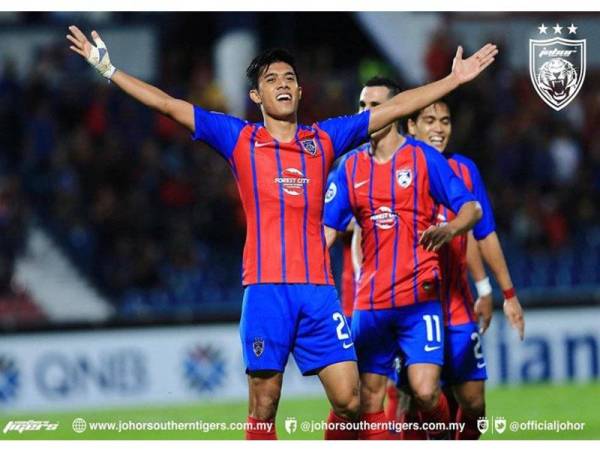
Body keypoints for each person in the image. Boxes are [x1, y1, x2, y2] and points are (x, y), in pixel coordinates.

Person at [67, 25, 497, 439]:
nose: (283, 83)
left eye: (290, 77)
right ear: (256, 95)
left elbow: (395, 109)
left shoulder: (323, 139)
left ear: (301, 90)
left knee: (350, 398)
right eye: (272, 79)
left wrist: (452, 81)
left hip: (317, 292)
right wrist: (109, 70)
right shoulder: (240, 138)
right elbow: (167, 104)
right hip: (266, 289)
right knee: (264, 403)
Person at [324, 76, 482, 439]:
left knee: (427, 392)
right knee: (370, 400)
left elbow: (470, 208)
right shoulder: (349, 168)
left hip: (419, 298)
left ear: (395, 112)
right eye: (361, 106)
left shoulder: (422, 157)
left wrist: (452, 228)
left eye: (374, 106)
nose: (365, 114)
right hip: (371, 301)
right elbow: (326, 231)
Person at [399, 99, 525, 439]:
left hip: (455, 308)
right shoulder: (398, 173)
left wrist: (497, 291)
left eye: (445, 120)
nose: (439, 128)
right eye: (429, 120)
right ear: (411, 126)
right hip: (412, 309)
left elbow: (480, 234)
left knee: (474, 407)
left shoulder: (465, 171)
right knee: (416, 402)